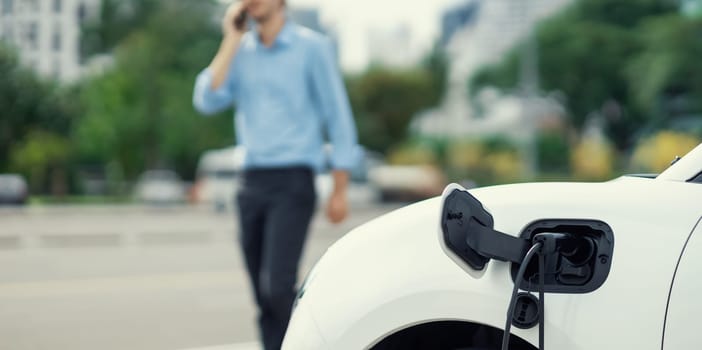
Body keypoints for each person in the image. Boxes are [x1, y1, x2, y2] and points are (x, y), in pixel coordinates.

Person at [192, 0, 359, 349]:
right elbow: (206, 100)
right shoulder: (240, 52)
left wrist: (339, 189)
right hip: (250, 183)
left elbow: (337, 116)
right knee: (262, 298)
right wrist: (230, 39)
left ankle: (319, 341)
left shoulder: (312, 48)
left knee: (277, 288)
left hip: (293, 181)